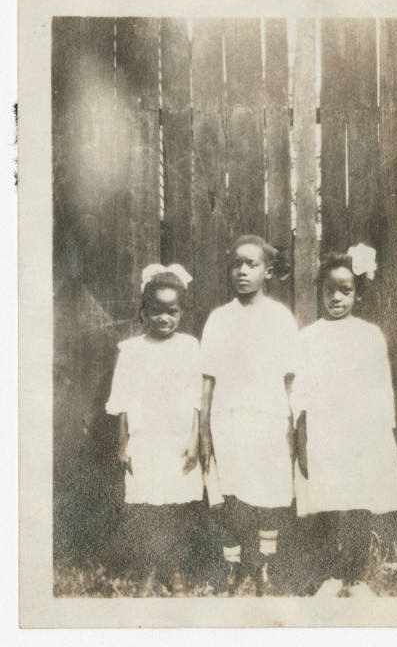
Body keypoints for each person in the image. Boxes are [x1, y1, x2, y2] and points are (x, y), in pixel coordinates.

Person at [293, 244, 397, 597]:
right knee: (326, 503)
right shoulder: (309, 337)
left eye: (346, 290)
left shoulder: (369, 335)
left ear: (358, 293)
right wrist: (303, 438)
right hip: (325, 431)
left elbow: (381, 388)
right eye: (330, 290)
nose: (336, 298)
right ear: (320, 292)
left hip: (361, 432)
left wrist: (382, 435)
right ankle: (330, 576)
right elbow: (302, 394)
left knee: (357, 502)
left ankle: (355, 576)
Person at [199, 235, 297, 595]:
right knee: (231, 498)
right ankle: (235, 566)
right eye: (236, 264)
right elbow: (207, 380)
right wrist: (205, 431)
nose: (242, 271)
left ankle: (263, 567)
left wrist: (292, 425)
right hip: (228, 420)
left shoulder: (281, 318)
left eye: (251, 264)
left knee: (268, 496)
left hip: (269, 419)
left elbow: (290, 379)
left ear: (267, 271)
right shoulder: (219, 319)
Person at [105, 263, 204, 592]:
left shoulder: (189, 347)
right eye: (157, 311)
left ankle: (174, 570)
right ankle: (149, 569)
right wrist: (123, 444)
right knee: (147, 508)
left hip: (178, 440)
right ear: (143, 312)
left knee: (177, 508)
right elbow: (121, 400)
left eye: (172, 311)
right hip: (145, 439)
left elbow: (196, 399)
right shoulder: (131, 350)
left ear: (181, 313)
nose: (165, 318)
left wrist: (194, 440)